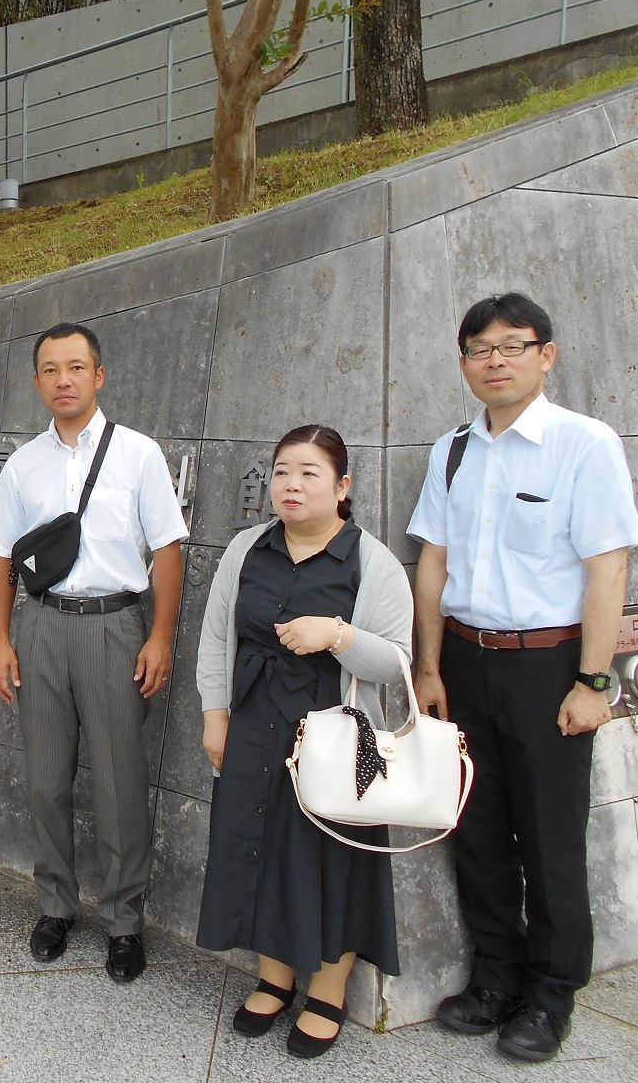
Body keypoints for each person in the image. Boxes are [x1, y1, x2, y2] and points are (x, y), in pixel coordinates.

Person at [407, 293, 638, 1062]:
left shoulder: (585, 444)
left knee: (549, 837)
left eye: (514, 345)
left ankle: (550, 992)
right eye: (480, 348)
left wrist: (593, 682)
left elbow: (607, 569)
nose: (496, 360)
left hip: (551, 666)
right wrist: (430, 666)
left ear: (547, 354)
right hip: (466, 662)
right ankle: (495, 978)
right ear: (465, 363)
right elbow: (433, 563)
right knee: (474, 829)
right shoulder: (453, 450)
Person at [194, 426, 413, 1059]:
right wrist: (215, 714)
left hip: (339, 735)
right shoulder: (246, 549)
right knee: (257, 843)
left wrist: (339, 636)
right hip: (256, 722)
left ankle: (330, 988)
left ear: (343, 488)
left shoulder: (373, 564)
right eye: (282, 472)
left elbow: (398, 662)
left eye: (310, 473)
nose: (291, 484)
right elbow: (216, 638)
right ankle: (274, 975)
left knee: (332, 858)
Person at [0, 322, 187, 984]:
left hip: (114, 628)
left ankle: (125, 921)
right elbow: (2, 557)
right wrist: (2, 640)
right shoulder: (23, 463)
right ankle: (55, 905)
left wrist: (159, 636)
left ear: (100, 375)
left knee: (121, 783)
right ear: (37, 381)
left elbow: (169, 552)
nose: (63, 380)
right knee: (45, 780)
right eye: (50, 370)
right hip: (41, 629)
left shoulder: (138, 455)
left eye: (76, 367)